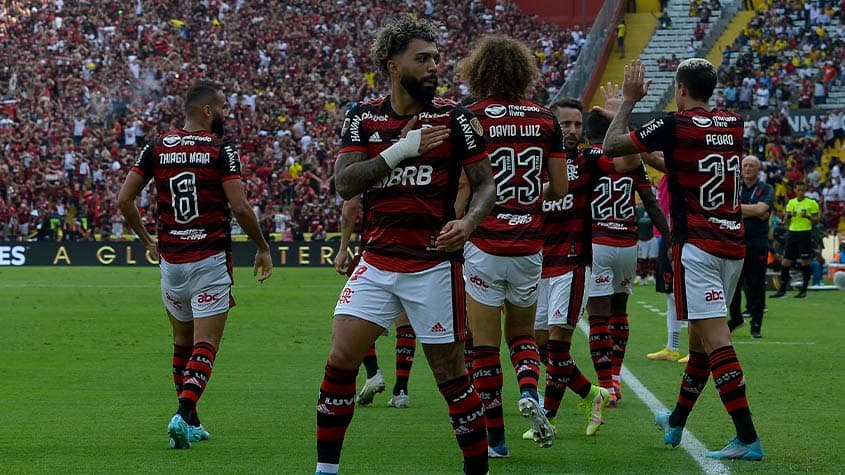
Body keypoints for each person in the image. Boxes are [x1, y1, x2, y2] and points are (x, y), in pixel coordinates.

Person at [315, 15, 496, 475]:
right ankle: (326, 470)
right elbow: (344, 182)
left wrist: (470, 223)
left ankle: (477, 468)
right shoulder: (363, 117)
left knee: (450, 377)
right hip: (376, 262)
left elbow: (486, 184)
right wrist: (401, 150)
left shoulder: (456, 117)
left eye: (436, 58)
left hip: (433, 264)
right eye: (423, 59)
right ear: (393, 67)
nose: (435, 66)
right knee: (340, 360)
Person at [602, 58, 763, 461]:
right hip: (732, 246)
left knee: (717, 343)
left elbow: (611, 147)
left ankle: (747, 437)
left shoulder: (673, 126)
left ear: (680, 89)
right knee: (701, 345)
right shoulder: (732, 123)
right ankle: (675, 421)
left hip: (699, 249)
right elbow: (675, 162)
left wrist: (625, 105)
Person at [116, 80, 273, 449]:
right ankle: (182, 414)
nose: (226, 113)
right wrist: (262, 247)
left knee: (181, 343)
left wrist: (146, 240)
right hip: (209, 259)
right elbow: (239, 207)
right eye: (222, 107)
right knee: (205, 345)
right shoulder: (221, 149)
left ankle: (192, 423)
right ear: (207, 111)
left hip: (171, 262)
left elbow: (124, 200)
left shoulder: (156, 147)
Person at [456, 35, 568, 456]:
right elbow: (559, 188)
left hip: (484, 243)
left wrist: (456, 224)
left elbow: (466, 183)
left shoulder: (471, 117)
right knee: (521, 335)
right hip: (529, 245)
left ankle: (497, 441)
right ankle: (529, 390)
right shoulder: (545, 119)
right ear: (524, 72)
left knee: (483, 347)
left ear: (479, 71)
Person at [527, 91, 641, 441]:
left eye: (578, 124)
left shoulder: (588, 159)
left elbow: (628, 163)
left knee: (558, 345)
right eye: (566, 124)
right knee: (541, 347)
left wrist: (616, 116)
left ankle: (548, 416)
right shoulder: (534, 160)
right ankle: (595, 394)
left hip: (573, 263)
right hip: (537, 264)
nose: (573, 130)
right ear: (552, 125)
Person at [585, 107, 670, 407]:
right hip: (627, 243)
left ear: (586, 134)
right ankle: (616, 379)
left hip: (597, 243)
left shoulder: (587, 158)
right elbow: (651, 203)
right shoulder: (632, 161)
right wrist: (669, 239)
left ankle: (606, 386)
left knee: (597, 316)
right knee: (619, 312)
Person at [333, 195, 416, 408]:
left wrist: (343, 248)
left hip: (378, 249)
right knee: (405, 325)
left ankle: (372, 372)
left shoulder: (370, 162)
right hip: (418, 250)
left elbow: (350, 205)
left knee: (355, 315)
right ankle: (401, 391)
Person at [644, 173, 689, 363]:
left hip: (679, 235)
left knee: (686, 295)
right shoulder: (667, 174)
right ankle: (672, 348)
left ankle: (698, 349)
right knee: (670, 295)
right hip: (666, 235)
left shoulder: (681, 170)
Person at [728, 156, 773, 337]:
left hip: (756, 245)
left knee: (756, 286)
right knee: (732, 285)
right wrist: (753, 210)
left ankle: (756, 325)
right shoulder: (733, 186)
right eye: (745, 165)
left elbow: (762, 211)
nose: (747, 168)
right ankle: (737, 318)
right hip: (734, 243)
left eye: (751, 166)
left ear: (758, 169)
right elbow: (757, 211)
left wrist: (736, 210)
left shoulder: (766, 188)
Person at [771, 181, 820, 299]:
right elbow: (785, 221)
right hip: (792, 233)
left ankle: (803, 290)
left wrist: (808, 216)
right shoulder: (791, 203)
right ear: (795, 190)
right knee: (785, 262)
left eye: (803, 190)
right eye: (799, 190)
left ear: (806, 190)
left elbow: (817, 220)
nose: (801, 192)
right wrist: (789, 216)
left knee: (805, 262)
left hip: (805, 233)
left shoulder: (811, 203)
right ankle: (782, 290)